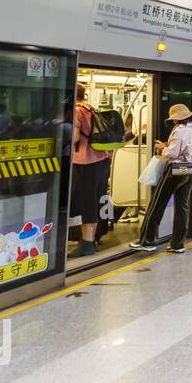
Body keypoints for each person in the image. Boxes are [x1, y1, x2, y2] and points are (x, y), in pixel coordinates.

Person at [129, 104, 192, 254]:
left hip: (175, 170)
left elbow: (172, 153)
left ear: (177, 119)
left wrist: (161, 148)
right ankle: (178, 243)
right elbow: (188, 150)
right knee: (182, 208)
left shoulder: (180, 131)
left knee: (157, 204)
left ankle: (148, 241)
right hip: (190, 171)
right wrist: (167, 146)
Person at [70, 83, 110, 257]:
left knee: (86, 202)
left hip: (85, 161)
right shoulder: (92, 109)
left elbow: (74, 137)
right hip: (101, 160)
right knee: (95, 200)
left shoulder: (76, 111)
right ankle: (91, 240)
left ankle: (86, 243)